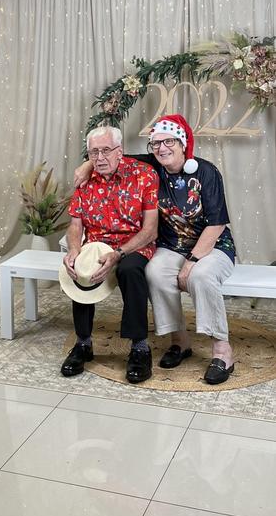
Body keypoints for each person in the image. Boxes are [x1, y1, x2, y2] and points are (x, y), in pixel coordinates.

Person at [75, 114, 236, 385]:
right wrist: (87, 165)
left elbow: (217, 224)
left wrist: (192, 261)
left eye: (169, 141)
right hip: (172, 246)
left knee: (200, 276)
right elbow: (113, 154)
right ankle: (180, 342)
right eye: (156, 143)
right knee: (155, 273)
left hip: (212, 246)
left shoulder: (206, 172)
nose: (162, 148)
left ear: (183, 142)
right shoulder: (153, 165)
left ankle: (222, 351)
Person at [60, 125, 159, 384]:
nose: (100, 158)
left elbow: (150, 230)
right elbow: (75, 225)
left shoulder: (144, 175)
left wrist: (118, 253)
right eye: (94, 152)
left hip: (134, 244)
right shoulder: (85, 181)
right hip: (97, 243)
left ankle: (139, 347)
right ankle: (83, 343)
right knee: (80, 267)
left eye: (106, 150)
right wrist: (73, 249)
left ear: (120, 151)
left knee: (130, 270)